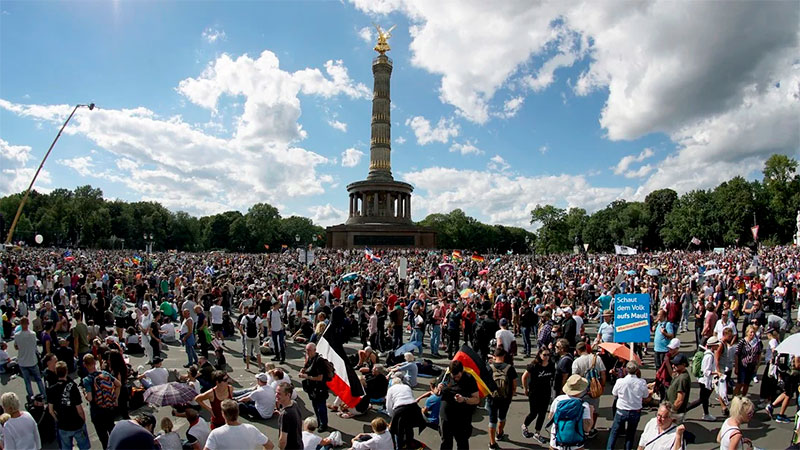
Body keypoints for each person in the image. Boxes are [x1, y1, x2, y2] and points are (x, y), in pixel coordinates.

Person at [607, 361, 650, 450]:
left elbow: (614, 393)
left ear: (626, 370)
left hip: (621, 410)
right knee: (630, 435)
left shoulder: (620, 381)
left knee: (614, 433)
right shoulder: (641, 382)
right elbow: (645, 395)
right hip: (635, 411)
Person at [47, 361, 91, 450]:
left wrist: (57, 419)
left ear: (56, 372)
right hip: (77, 423)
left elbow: (50, 410)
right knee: (84, 447)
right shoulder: (73, 387)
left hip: (63, 425)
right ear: (66, 371)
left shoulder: (52, 389)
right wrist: (82, 421)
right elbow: (79, 409)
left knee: (66, 447)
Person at [82, 353, 121, 449]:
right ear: (95, 363)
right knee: (112, 433)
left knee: (103, 438)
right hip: (108, 408)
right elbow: (118, 384)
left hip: (97, 412)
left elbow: (90, 398)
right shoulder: (105, 374)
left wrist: (84, 393)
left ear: (84, 365)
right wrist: (115, 399)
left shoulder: (87, 380)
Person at [439, 360, 480, 450]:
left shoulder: (469, 378)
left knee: (462, 443)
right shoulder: (445, 375)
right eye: (454, 376)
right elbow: (435, 391)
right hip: (446, 417)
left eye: (458, 376)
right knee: (446, 442)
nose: (456, 379)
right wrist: (438, 389)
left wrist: (464, 399)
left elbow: (476, 399)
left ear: (462, 371)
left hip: (462, 418)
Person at [204, 399, 273, 450]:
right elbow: (269, 445)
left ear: (223, 414)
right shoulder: (251, 429)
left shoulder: (215, 433)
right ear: (238, 413)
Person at [547, 374, 592, 450]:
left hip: (556, 442)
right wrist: (591, 411)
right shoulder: (584, 405)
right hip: (576, 445)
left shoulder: (558, 400)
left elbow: (550, 417)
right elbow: (587, 428)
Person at [522, 346, 556, 444]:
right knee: (533, 413)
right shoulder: (534, 365)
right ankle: (525, 425)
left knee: (542, 413)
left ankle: (537, 433)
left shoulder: (551, 365)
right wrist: (525, 389)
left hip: (546, 392)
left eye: (548, 355)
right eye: (544, 355)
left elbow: (552, 377)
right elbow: (524, 377)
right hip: (534, 392)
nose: (546, 357)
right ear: (540, 355)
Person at [487, 347, 517, 450]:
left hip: (492, 397)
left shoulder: (489, 368)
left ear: (494, 356)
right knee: (502, 417)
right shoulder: (509, 368)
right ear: (503, 356)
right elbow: (514, 384)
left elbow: (484, 383)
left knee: (492, 419)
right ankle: (499, 434)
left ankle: (492, 443)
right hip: (505, 398)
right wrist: (512, 394)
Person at [687, 335, 721, 421]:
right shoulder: (709, 356)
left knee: (704, 399)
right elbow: (706, 371)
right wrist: (717, 373)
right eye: (717, 344)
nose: (718, 346)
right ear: (712, 345)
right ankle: (683, 411)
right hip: (704, 381)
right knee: (702, 399)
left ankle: (706, 414)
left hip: (704, 380)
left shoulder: (709, 354)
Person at [299, 343, 330, 432]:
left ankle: (323, 424)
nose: (307, 352)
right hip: (312, 388)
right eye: (306, 350)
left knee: (321, 407)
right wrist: (303, 370)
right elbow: (307, 369)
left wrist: (306, 377)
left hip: (320, 388)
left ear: (314, 350)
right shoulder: (310, 359)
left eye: (309, 350)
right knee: (315, 406)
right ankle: (319, 421)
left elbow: (320, 378)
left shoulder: (319, 361)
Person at [14, 317, 46, 401]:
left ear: (20, 324)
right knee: (38, 379)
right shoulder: (33, 334)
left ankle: (31, 397)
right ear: (28, 323)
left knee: (27, 381)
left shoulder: (17, 335)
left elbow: (16, 347)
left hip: (22, 361)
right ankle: (43, 394)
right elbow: (34, 345)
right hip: (32, 360)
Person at [734, 325, 762, 396]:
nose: (752, 334)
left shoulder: (757, 342)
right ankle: (735, 397)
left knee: (746, 383)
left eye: (753, 332)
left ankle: (743, 397)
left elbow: (759, 354)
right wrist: (736, 367)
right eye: (751, 332)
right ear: (747, 333)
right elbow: (737, 354)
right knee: (740, 383)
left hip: (751, 366)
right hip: (743, 365)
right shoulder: (742, 342)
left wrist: (757, 366)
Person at [277, 383, 304, 450]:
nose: (276, 395)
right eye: (276, 393)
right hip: (299, 445)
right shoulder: (294, 403)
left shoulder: (285, 414)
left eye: (279, 394)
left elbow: (283, 441)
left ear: (288, 395)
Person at [665, 354, 691, 420]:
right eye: (673, 364)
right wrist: (667, 363)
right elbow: (672, 374)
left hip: (676, 413)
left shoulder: (683, 378)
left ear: (684, 364)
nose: (673, 366)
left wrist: (671, 411)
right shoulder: (679, 374)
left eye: (676, 364)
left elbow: (680, 399)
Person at [240, 306, 263, 371]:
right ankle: (260, 367)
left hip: (247, 336)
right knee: (258, 351)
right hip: (255, 336)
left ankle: (247, 367)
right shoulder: (257, 318)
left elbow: (240, 327)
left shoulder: (244, 317)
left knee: (248, 352)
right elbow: (262, 328)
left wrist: (244, 334)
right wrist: (259, 334)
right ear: (253, 310)